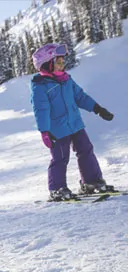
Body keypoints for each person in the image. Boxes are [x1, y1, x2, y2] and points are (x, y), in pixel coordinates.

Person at [30, 43, 115, 201]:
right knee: (60, 158)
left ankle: (91, 182)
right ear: (48, 65)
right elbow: (41, 111)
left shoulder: (67, 80)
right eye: (59, 62)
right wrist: (45, 131)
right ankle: (57, 189)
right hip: (57, 130)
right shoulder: (41, 87)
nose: (63, 65)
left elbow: (80, 97)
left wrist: (97, 108)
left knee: (86, 150)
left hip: (76, 125)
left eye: (63, 62)